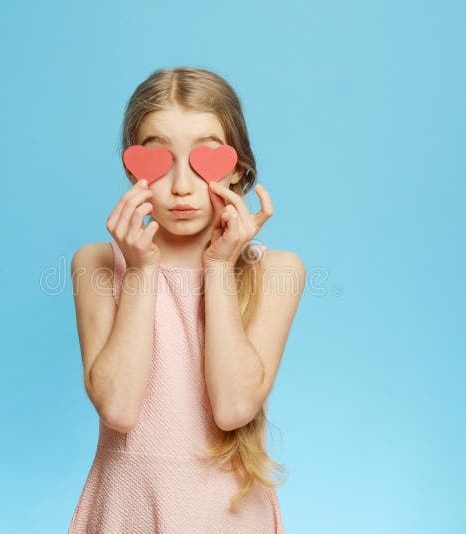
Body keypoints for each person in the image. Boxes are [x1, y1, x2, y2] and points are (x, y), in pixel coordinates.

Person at [68, 66, 305, 533]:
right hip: (128, 510)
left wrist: (219, 267)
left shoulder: (275, 272)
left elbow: (234, 407)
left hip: (230, 515)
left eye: (205, 160)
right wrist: (141, 271)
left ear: (237, 168)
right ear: (132, 168)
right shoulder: (95, 264)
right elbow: (118, 408)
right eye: (159, 160)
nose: (181, 185)